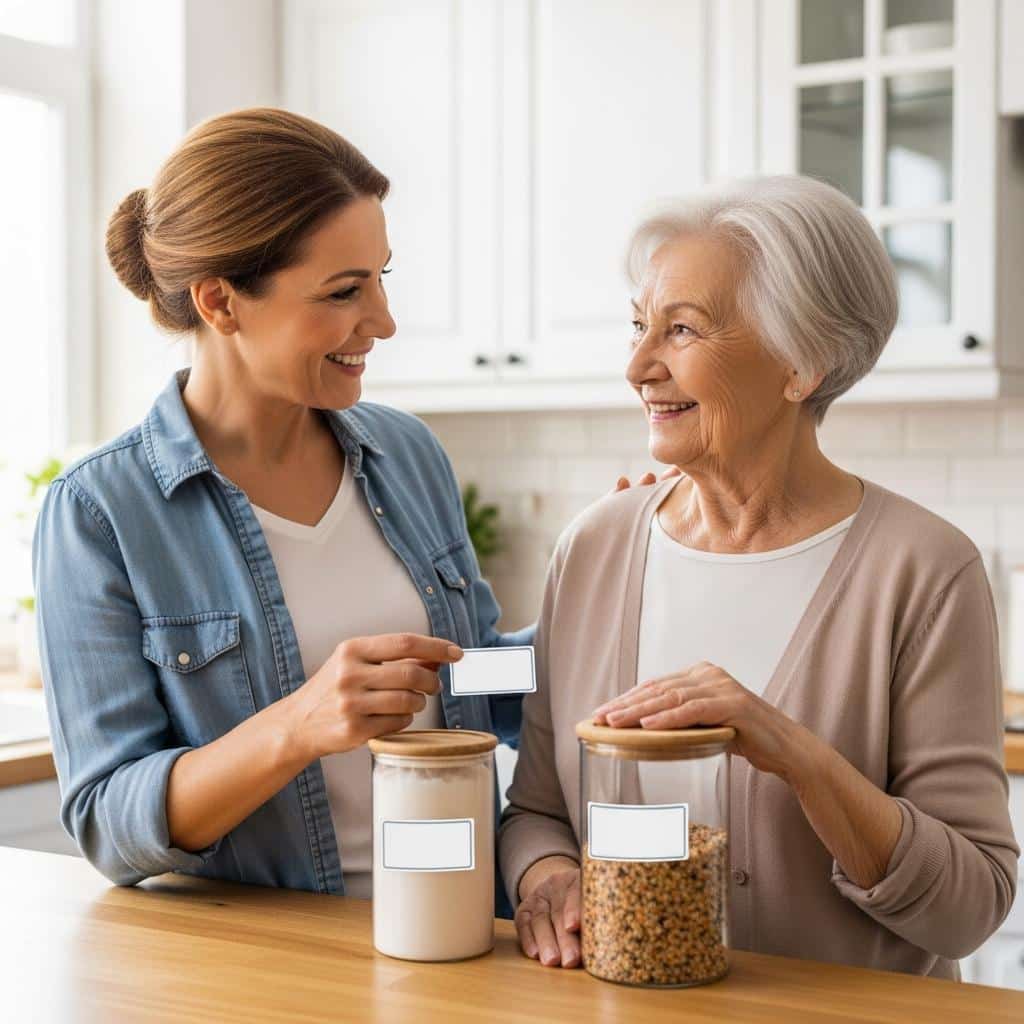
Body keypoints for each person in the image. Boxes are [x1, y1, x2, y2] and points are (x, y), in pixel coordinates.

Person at [499, 175, 1019, 977]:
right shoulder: (593, 548)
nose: (639, 365)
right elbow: (536, 810)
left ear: (802, 362)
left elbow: (969, 906)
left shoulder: (923, 571)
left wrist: (794, 753)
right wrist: (551, 878)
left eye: (681, 330)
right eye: (639, 327)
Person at [32, 108, 538, 908]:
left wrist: (613, 575)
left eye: (382, 279)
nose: (383, 322)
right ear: (221, 303)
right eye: (344, 291)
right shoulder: (101, 511)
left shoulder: (405, 453)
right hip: (285, 954)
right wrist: (298, 725)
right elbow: (107, 820)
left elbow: (473, 676)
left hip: (473, 922)